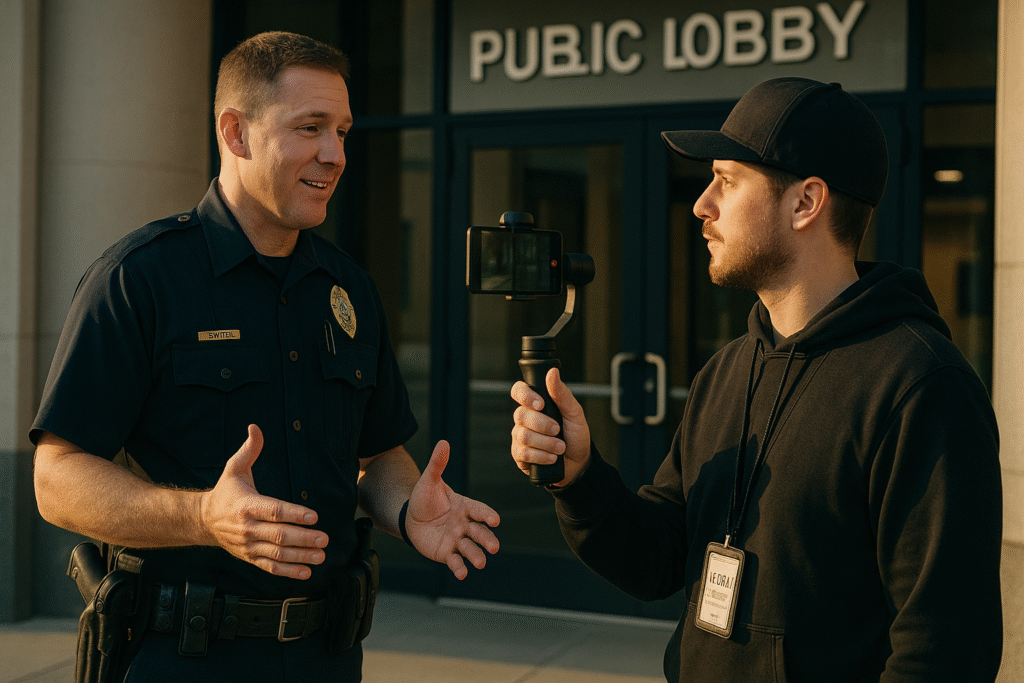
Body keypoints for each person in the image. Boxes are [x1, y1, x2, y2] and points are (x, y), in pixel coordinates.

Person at [32, 31, 499, 682]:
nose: (335, 154)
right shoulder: (139, 279)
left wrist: (404, 506)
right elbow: (56, 479)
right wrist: (203, 516)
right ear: (236, 133)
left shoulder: (348, 289)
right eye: (310, 127)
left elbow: (379, 455)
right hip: (181, 658)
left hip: (328, 657)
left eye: (342, 131)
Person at [510, 77, 1002, 682]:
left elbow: (944, 651)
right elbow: (658, 559)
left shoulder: (922, 387)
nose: (702, 204)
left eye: (728, 180)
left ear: (805, 202)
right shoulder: (727, 370)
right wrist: (581, 478)